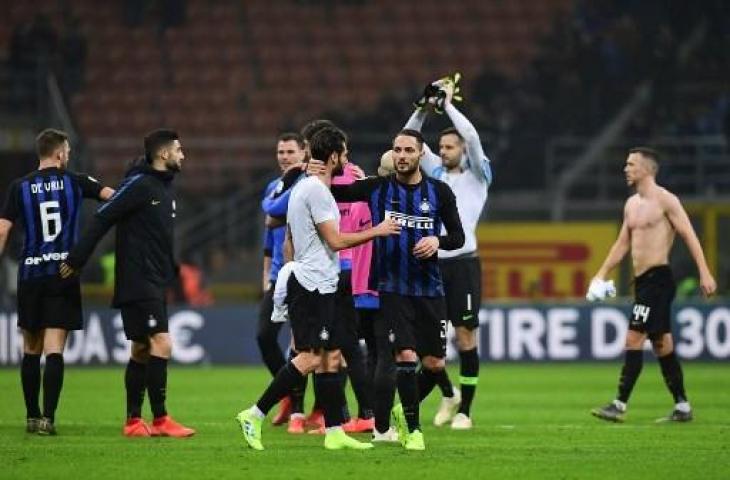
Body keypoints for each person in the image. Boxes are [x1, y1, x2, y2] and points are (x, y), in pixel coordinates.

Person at [235, 126, 400, 451]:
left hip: (321, 282)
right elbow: (336, 241)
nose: (347, 159)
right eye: (345, 153)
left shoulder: (306, 187)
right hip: (312, 285)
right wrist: (378, 230)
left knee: (331, 356)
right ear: (335, 156)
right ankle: (254, 414)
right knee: (310, 358)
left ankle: (335, 431)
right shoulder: (317, 192)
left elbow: (290, 242)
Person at [327, 129, 465, 450]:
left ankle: (405, 410)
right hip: (392, 287)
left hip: (430, 289)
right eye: (397, 150)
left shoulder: (440, 192)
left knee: (434, 365)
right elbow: (334, 193)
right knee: (404, 354)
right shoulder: (376, 189)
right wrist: (320, 170)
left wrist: (437, 241)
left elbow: (457, 237)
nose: (402, 155)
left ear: (420, 155)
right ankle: (414, 432)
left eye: (408, 150)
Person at [60, 129, 195, 437]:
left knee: (141, 350)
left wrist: (170, 274)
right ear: (163, 154)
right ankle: (160, 420)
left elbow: (157, 239)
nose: (183, 155)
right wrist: (78, 258)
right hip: (138, 280)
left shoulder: (162, 188)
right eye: (179, 149)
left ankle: (134, 421)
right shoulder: (140, 185)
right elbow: (102, 217)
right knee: (162, 343)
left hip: (153, 280)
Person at [587, 147, 716, 423]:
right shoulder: (631, 205)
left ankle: (619, 404)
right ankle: (682, 407)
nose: (626, 169)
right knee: (661, 343)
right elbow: (622, 244)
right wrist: (601, 274)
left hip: (659, 280)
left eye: (631, 164)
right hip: (643, 282)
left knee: (633, 337)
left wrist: (705, 272)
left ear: (647, 169)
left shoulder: (666, 201)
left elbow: (689, 235)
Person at [0, 128, 114, 435]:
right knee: (54, 349)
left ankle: (31, 416)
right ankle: (49, 418)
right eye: (68, 152)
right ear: (60, 154)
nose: (69, 156)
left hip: (31, 275)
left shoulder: (18, 187)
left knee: (30, 347)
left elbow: (2, 230)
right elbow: (115, 200)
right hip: (63, 273)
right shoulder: (76, 181)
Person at [398, 78, 493, 429]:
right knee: (429, 347)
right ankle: (447, 393)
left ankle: (465, 410)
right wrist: (423, 109)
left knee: (465, 336)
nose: (446, 150)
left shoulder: (478, 177)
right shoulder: (435, 173)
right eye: (441, 146)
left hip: (465, 265)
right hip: (433, 263)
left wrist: (448, 104)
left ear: (463, 151)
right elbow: (406, 141)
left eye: (451, 146)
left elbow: (473, 136)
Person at [258, 132, 308, 430]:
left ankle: (300, 412)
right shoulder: (273, 186)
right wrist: (264, 274)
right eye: (281, 152)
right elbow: (268, 234)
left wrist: (275, 213)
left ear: (304, 153)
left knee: (300, 343)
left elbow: (273, 213)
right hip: (277, 275)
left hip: (303, 272)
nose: (284, 157)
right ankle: (287, 390)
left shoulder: (305, 185)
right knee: (264, 336)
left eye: (290, 151)